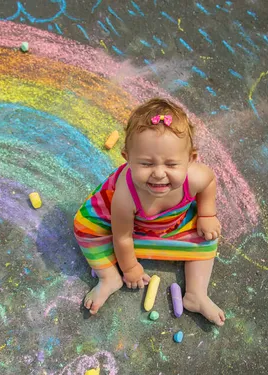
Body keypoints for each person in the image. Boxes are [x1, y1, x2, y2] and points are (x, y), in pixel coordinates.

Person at [74, 98, 225, 326]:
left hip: (171, 221)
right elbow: (122, 237)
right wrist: (130, 268)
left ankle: (196, 294)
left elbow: (209, 183)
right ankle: (109, 277)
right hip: (121, 223)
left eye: (172, 165)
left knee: (208, 239)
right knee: (84, 227)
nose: (159, 174)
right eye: (146, 164)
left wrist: (206, 214)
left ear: (190, 160)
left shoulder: (196, 176)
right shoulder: (125, 196)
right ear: (127, 159)